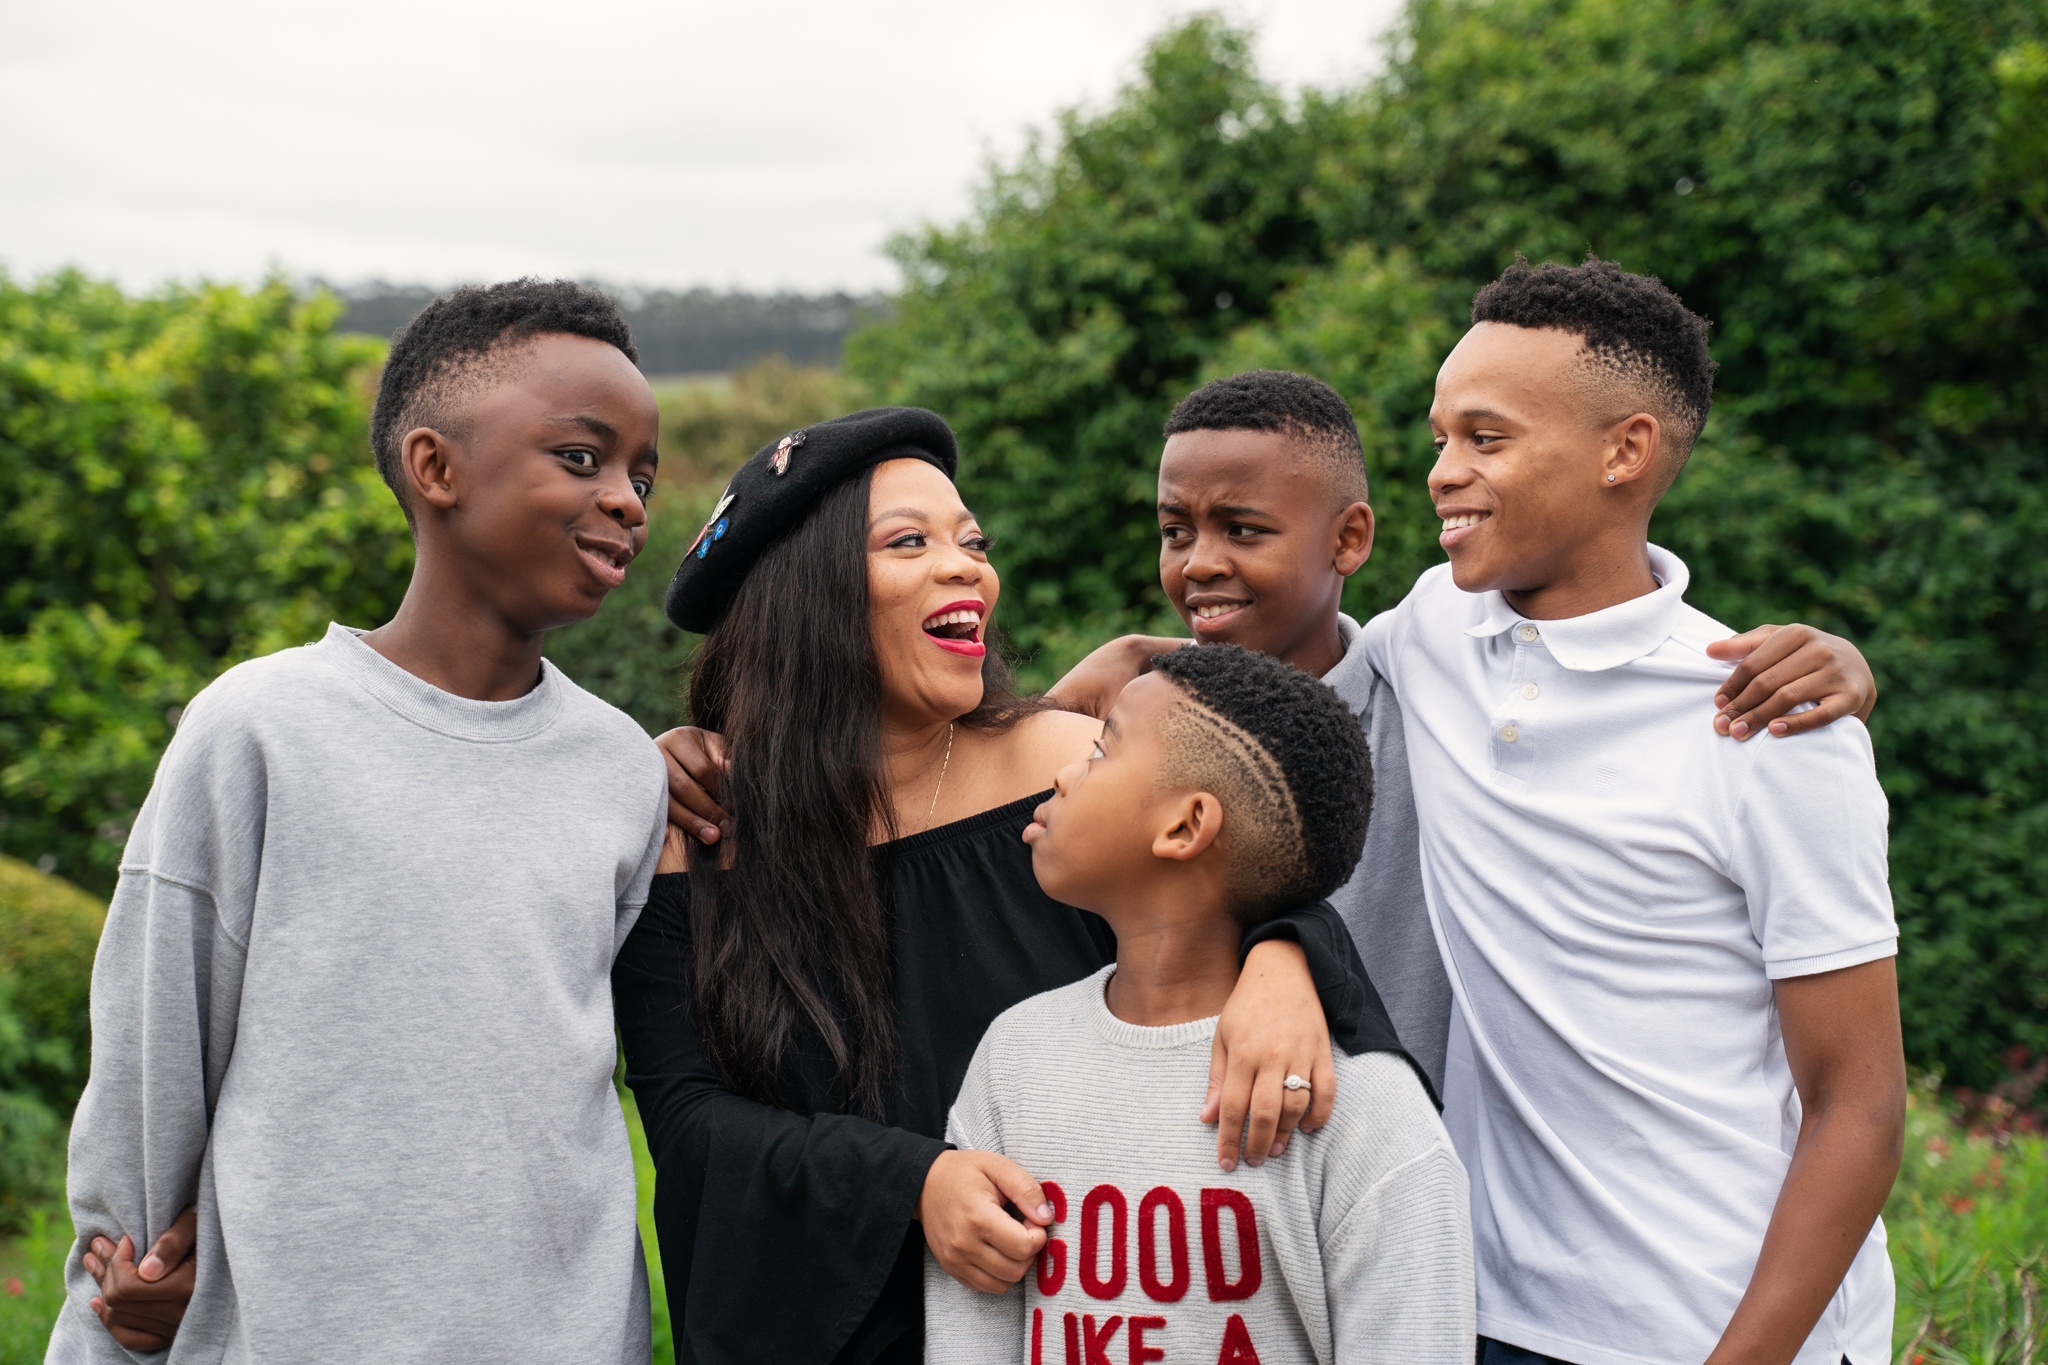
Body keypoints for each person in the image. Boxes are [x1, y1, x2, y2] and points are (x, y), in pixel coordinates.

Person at [614, 408, 1409, 1365]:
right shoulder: (694, 831)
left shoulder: (1068, 774)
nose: (969, 568)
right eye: (910, 542)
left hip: (1098, 1319)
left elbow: (1234, 893)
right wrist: (913, 1185)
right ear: (803, 594)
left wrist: (1287, 953)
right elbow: (692, 1126)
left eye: (971, 541)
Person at [51, 280, 670, 1362]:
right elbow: (152, 1068)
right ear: (435, 468)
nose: (625, 498)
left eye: (640, 474)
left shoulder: (621, 766)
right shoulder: (261, 728)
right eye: (582, 457)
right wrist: (126, 1291)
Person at [1042, 368, 1879, 1093]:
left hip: (1409, 1168)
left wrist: (1841, 662)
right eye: (1174, 531)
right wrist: (1133, 653)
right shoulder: (1126, 739)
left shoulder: (1430, 689)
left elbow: (1599, 664)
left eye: (1244, 529)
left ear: (1351, 538)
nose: (1198, 562)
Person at [1363, 257, 1903, 1365]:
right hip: (1492, 1318)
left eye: (1485, 437)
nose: (1441, 474)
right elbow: (1259, 690)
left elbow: (1858, 1107)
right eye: (1437, 439)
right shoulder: (1425, 629)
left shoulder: (1766, 722)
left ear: (1625, 451)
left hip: (1721, 1328)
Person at [926, 643, 1473, 1365]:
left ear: (1185, 826)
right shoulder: (1013, 1056)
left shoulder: (1366, 1110)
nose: (1061, 772)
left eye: (1099, 752)